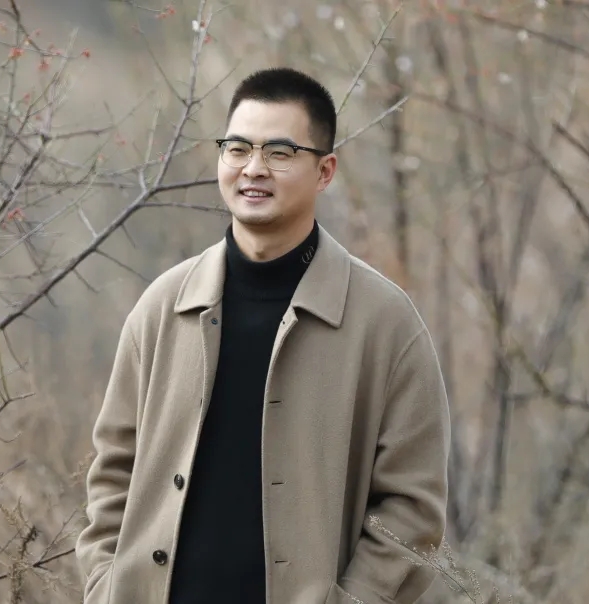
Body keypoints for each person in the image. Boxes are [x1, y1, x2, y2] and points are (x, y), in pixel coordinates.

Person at [75, 67, 451, 604]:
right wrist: (107, 585)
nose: (253, 168)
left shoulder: (385, 322)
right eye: (237, 149)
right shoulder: (164, 307)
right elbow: (113, 470)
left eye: (279, 152)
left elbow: (413, 510)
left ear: (324, 171)